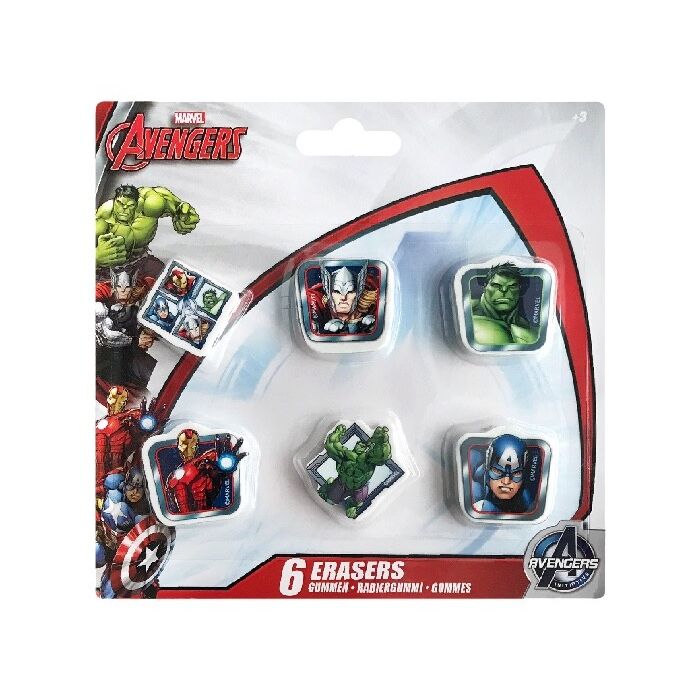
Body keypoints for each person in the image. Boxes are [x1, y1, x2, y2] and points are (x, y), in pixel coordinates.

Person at [470, 262, 538, 345]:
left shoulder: (525, 325)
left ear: (519, 289)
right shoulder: (468, 311)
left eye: (512, 286)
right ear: (485, 287)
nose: (504, 290)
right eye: (496, 285)